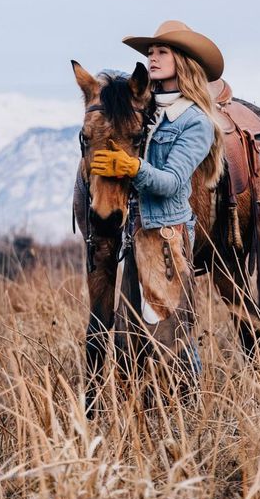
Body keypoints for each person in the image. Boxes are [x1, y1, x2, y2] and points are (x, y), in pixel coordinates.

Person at [90, 20, 225, 374]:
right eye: (150, 52)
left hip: (167, 237)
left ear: (182, 61)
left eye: (161, 52)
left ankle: (190, 414)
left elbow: (171, 181)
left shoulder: (195, 122)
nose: (152, 57)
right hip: (137, 232)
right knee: (131, 333)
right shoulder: (148, 110)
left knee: (170, 336)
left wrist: (131, 167)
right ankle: (143, 419)